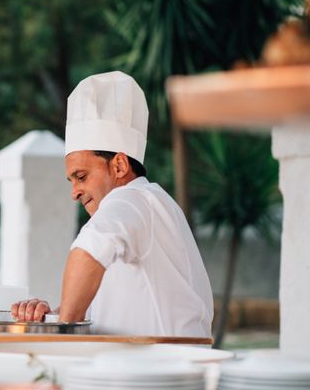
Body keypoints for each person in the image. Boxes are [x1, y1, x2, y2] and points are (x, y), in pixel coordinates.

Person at [11, 71, 213, 337]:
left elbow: (88, 249)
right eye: (71, 181)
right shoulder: (144, 211)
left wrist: (60, 332)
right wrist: (48, 315)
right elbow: (94, 316)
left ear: (119, 165)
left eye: (81, 177)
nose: (74, 193)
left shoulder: (135, 199)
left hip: (160, 372)